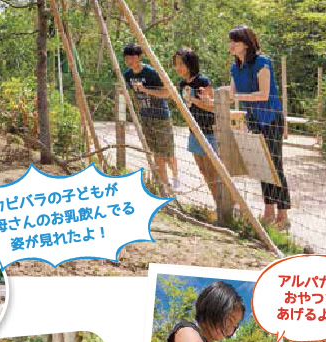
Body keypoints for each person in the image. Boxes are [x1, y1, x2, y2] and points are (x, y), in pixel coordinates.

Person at [229, 25, 291, 229]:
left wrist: (237, 97)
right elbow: (230, 94)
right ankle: (268, 212)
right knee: (261, 165)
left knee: (275, 166)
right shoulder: (235, 67)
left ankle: (283, 217)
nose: (230, 45)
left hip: (271, 118)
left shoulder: (262, 62)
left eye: (234, 41)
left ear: (245, 44)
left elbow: (263, 94)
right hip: (254, 119)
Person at [172, 47, 230, 226]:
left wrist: (196, 100)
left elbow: (213, 107)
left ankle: (225, 209)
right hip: (193, 131)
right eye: (175, 65)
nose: (178, 68)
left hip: (209, 132)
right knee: (204, 171)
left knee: (214, 172)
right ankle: (217, 205)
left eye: (181, 64)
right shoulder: (182, 84)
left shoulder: (202, 81)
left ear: (190, 63)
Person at [122, 43, 179, 191]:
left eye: (133, 57)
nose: (130, 60)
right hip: (145, 117)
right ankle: (164, 185)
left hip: (161, 116)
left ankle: (175, 177)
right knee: (156, 152)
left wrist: (146, 90)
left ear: (139, 57)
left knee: (168, 152)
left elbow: (167, 93)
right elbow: (134, 95)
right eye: (127, 58)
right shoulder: (127, 75)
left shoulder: (151, 73)